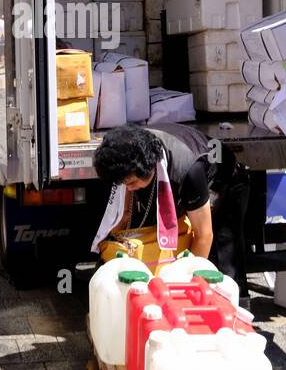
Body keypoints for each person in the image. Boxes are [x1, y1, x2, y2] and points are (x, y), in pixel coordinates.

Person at [92, 123, 251, 304]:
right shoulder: (134, 153)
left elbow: (204, 236)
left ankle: (238, 311)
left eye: (132, 183)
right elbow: (125, 212)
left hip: (226, 184)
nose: (128, 189)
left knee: (224, 261)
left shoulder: (189, 171)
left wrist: (183, 290)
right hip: (183, 181)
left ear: (149, 168)